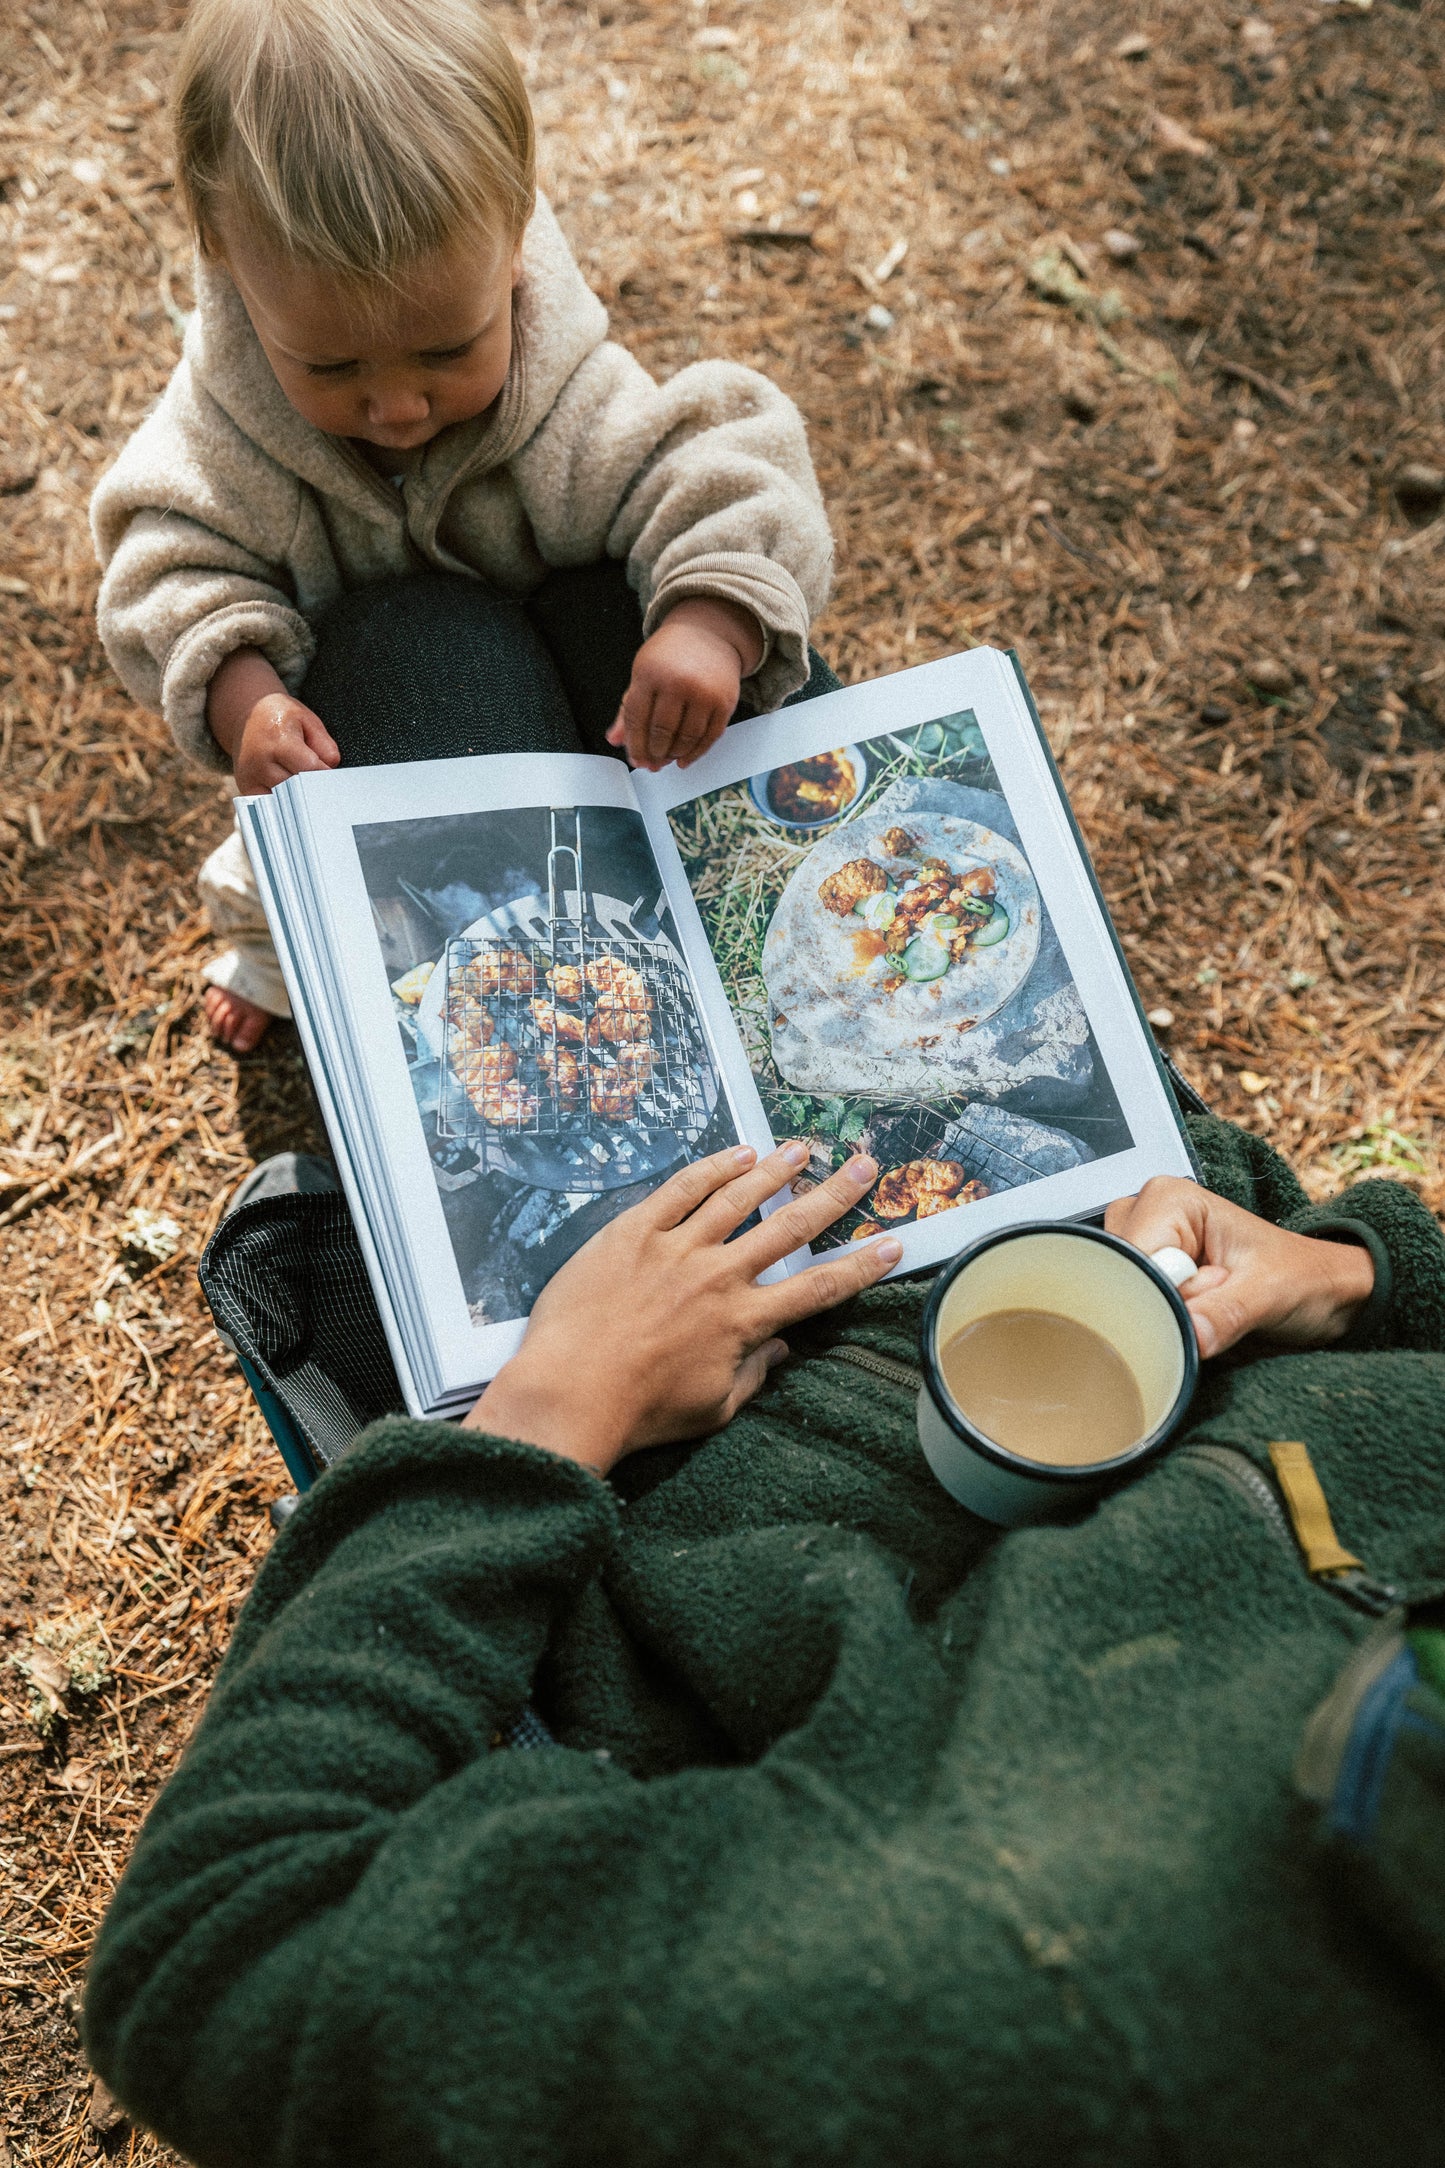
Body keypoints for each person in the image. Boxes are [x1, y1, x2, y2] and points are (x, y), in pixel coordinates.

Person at [83, 1113, 1445, 2165]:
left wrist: (559, 1399)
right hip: (1063, 1240)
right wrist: (1356, 1273)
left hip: (647, 1476)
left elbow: (224, 1949)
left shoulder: (1043, 1990)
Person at [90, 0, 834, 1054]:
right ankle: (276, 963)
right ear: (222, 253)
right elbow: (161, 560)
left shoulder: (561, 387)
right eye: (334, 366)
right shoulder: (224, 429)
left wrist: (710, 621)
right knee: (287, 889)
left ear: (516, 227)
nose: (396, 406)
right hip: (367, 760)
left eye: (446, 349)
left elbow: (728, 468)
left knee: (647, 644)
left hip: (598, 732)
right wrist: (244, 700)